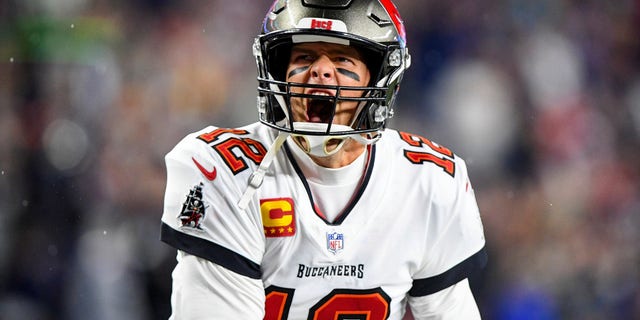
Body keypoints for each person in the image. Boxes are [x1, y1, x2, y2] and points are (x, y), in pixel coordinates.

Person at [160, 0, 487, 318]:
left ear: (380, 79)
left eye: (343, 62)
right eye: (303, 57)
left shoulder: (428, 182)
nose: (320, 72)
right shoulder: (223, 170)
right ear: (276, 70)